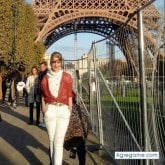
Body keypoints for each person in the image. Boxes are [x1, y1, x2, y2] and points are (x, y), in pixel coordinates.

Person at [41, 51, 73, 165]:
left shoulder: (67, 76)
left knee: (58, 142)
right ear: (50, 63)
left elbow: (70, 94)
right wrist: (44, 108)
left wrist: (70, 109)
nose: (56, 64)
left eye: (58, 62)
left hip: (64, 110)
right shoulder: (45, 77)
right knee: (52, 141)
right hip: (50, 110)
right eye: (53, 62)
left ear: (61, 62)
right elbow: (43, 95)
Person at [64, 91, 89, 165]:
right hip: (79, 135)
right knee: (81, 151)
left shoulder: (65, 108)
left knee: (54, 145)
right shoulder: (78, 107)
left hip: (68, 136)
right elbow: (85, 122)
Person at [37, 61, 48, 128]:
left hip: (46, 93)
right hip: (41, 92)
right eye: (40, 67)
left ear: (45, 66)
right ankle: (44, 121)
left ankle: (46, 122)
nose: (41, 68)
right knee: (43, 108)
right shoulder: (40, 73)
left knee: (45, 108)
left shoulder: (47, 73)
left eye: (43, 66)